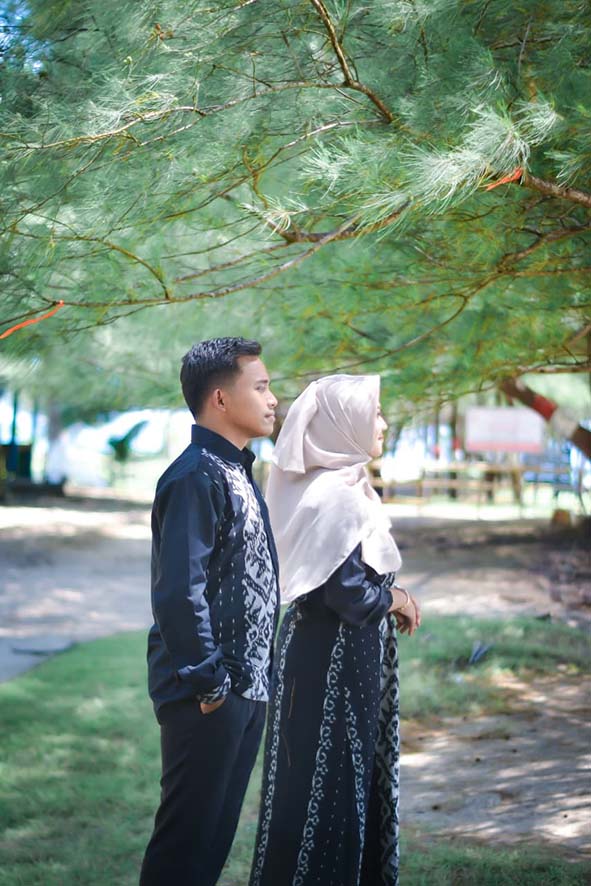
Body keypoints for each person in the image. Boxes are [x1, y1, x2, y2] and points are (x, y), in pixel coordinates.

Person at [249, 374, 420, 886]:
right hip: (331, 666)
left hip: (328, 657)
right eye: (375, 413)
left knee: (325, 782)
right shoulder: (336, 496)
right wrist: (398, 599)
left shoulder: (341, 486)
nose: (383, 423)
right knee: (328, 785)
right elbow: (350, 596)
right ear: (343, 425)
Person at [140, 337, 280, 886]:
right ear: (220, 398)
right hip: (208, 694)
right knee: (185, 847)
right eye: (261, 387)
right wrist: (210, 684)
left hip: (245, 688)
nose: (273, 399)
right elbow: (179, 591)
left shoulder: (237, 469)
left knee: (212, 843)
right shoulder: (195, 475)